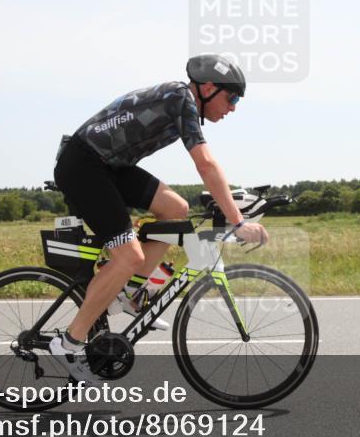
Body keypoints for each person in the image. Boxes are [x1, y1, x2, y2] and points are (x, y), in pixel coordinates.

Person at [48, 54, 269, 383]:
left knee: (176, 210)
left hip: (110, 166)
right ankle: (69, 343)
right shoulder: (181, 98)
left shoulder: (183, 100)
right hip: (85, 165)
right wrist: (237, 222)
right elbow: (205, 164)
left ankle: (131, 294)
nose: (233, 107)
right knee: (129, 257)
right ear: (208, 87)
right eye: (232, 97)